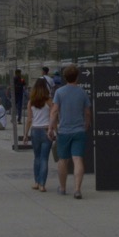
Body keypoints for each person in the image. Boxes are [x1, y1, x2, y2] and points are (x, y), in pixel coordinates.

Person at [50, 64, 91, 199]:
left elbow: (55, 111)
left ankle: (62, 188)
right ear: (77, 77)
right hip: (79, 130)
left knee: (63, 160)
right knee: (77, 159)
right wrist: (86, 124)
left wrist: (51, 127)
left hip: (64, 131)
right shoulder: (82, 92)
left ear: (65, 77)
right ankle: (77, 189)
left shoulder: (59, 92)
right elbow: (87, 112)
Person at [24, 78, 52, 191]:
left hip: (35, 130)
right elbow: (54, 116)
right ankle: (42, 184)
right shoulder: (49, 101)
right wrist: (53, 128)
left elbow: (29, 119)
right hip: (46, 130)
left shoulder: (31, 101)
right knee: (45, 158)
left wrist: (26, 134)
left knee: (37, 157)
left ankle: (36, 182)